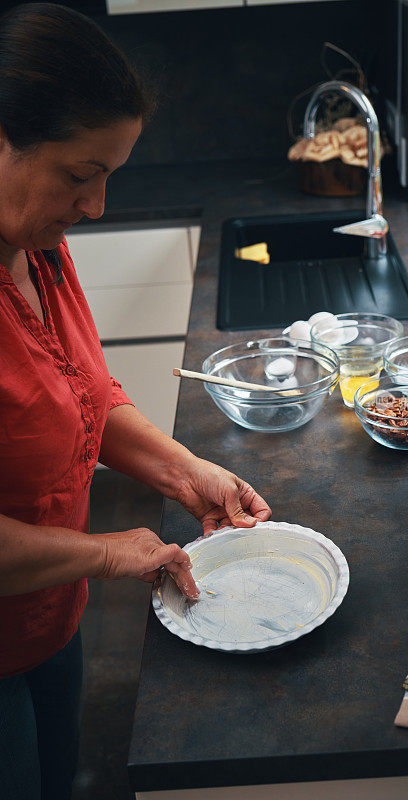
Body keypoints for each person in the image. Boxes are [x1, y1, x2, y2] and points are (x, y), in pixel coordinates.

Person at [0, 4, 272, 799]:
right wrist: (113, 551)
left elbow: (82, 395)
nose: (97, 206)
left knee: (58, 778)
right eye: (81, 175)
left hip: (47, 614)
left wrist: (188, 475)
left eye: (109, 176)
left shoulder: (36, 250)